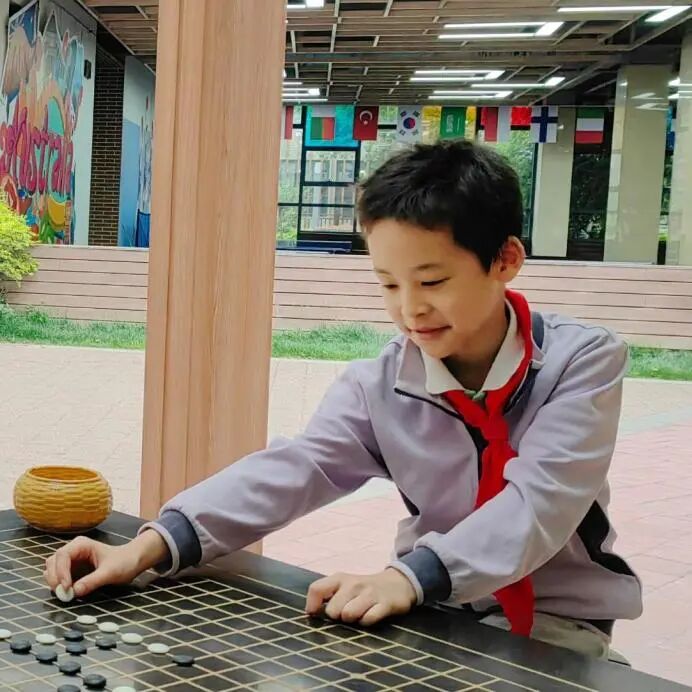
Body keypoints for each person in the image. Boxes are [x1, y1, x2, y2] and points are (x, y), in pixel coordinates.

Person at [44, 140, 642, 659]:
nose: (410, 308)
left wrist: (408, 578)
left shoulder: (581, 362)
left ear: (505, 259)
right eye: (388, 284)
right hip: (431, 607)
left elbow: (540, 504)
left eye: (432, 281)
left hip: (558, 621)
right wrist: (147, 548)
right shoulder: (381, 382)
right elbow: (298, 468)